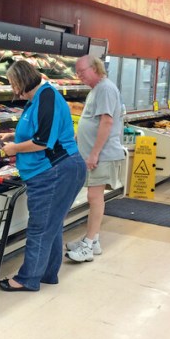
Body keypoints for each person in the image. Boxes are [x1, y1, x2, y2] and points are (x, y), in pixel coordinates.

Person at [0, 60, 86, 292]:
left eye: (14, 84)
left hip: (55, 171)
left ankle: (28, 278)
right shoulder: (37, 99)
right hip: (51, 171)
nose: (14, 90)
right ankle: (47, 273)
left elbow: (43, 141)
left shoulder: (47, 97)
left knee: (40, 227)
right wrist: (11, 136)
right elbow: (38, 130)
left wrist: (14, 149)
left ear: (22, 80)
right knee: (51, 224)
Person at [65, 55, 126, 263]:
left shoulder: (105, 89)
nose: (79, 75)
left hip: (102, 154)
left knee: (94, 197)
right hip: (95, 153)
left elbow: (106, 122)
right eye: (77, 72)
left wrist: (94, 153)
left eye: (82, 71)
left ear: (95, 68)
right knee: (94, 197)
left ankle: (88, 246)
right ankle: (94, 240)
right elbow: (92, 120)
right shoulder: (96, 89)